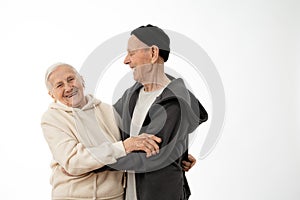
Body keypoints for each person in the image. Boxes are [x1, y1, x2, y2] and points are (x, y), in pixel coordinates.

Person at [108, 25, 208, 200]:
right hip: (131, 192)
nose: (126, 60)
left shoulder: (175, 102)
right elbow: (107, 126)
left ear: (153, 53)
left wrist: (92, 161)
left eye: (131, 53)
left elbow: (149, 157)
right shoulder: (132, 94)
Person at [41, 63, 162, 200]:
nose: (68, 88)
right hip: (73, 197)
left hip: (114, 196)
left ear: (82, 80)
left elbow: (135, 142)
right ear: (52, 94)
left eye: (71, 79)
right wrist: (122, 147)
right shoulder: (52, 118)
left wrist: (178, 155)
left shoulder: (108, 110)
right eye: (59, 85)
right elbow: (73, 161)